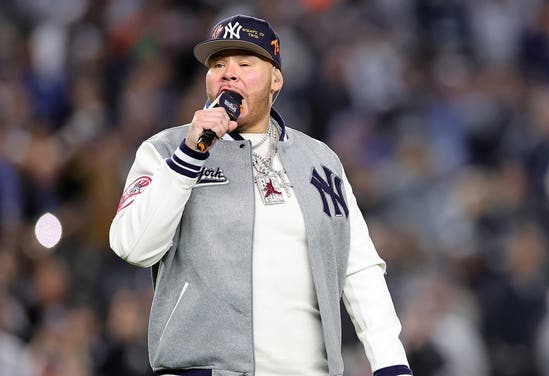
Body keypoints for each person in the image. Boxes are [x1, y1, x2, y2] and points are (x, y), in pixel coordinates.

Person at [109, 14, 412, 376]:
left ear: (276, 80)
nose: (228, 73)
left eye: (245, 63)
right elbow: (132, 246)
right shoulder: (165, 150)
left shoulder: (319, 160)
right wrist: (189, 156)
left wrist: (390, 362)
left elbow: (357, 267)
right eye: (218, 64)